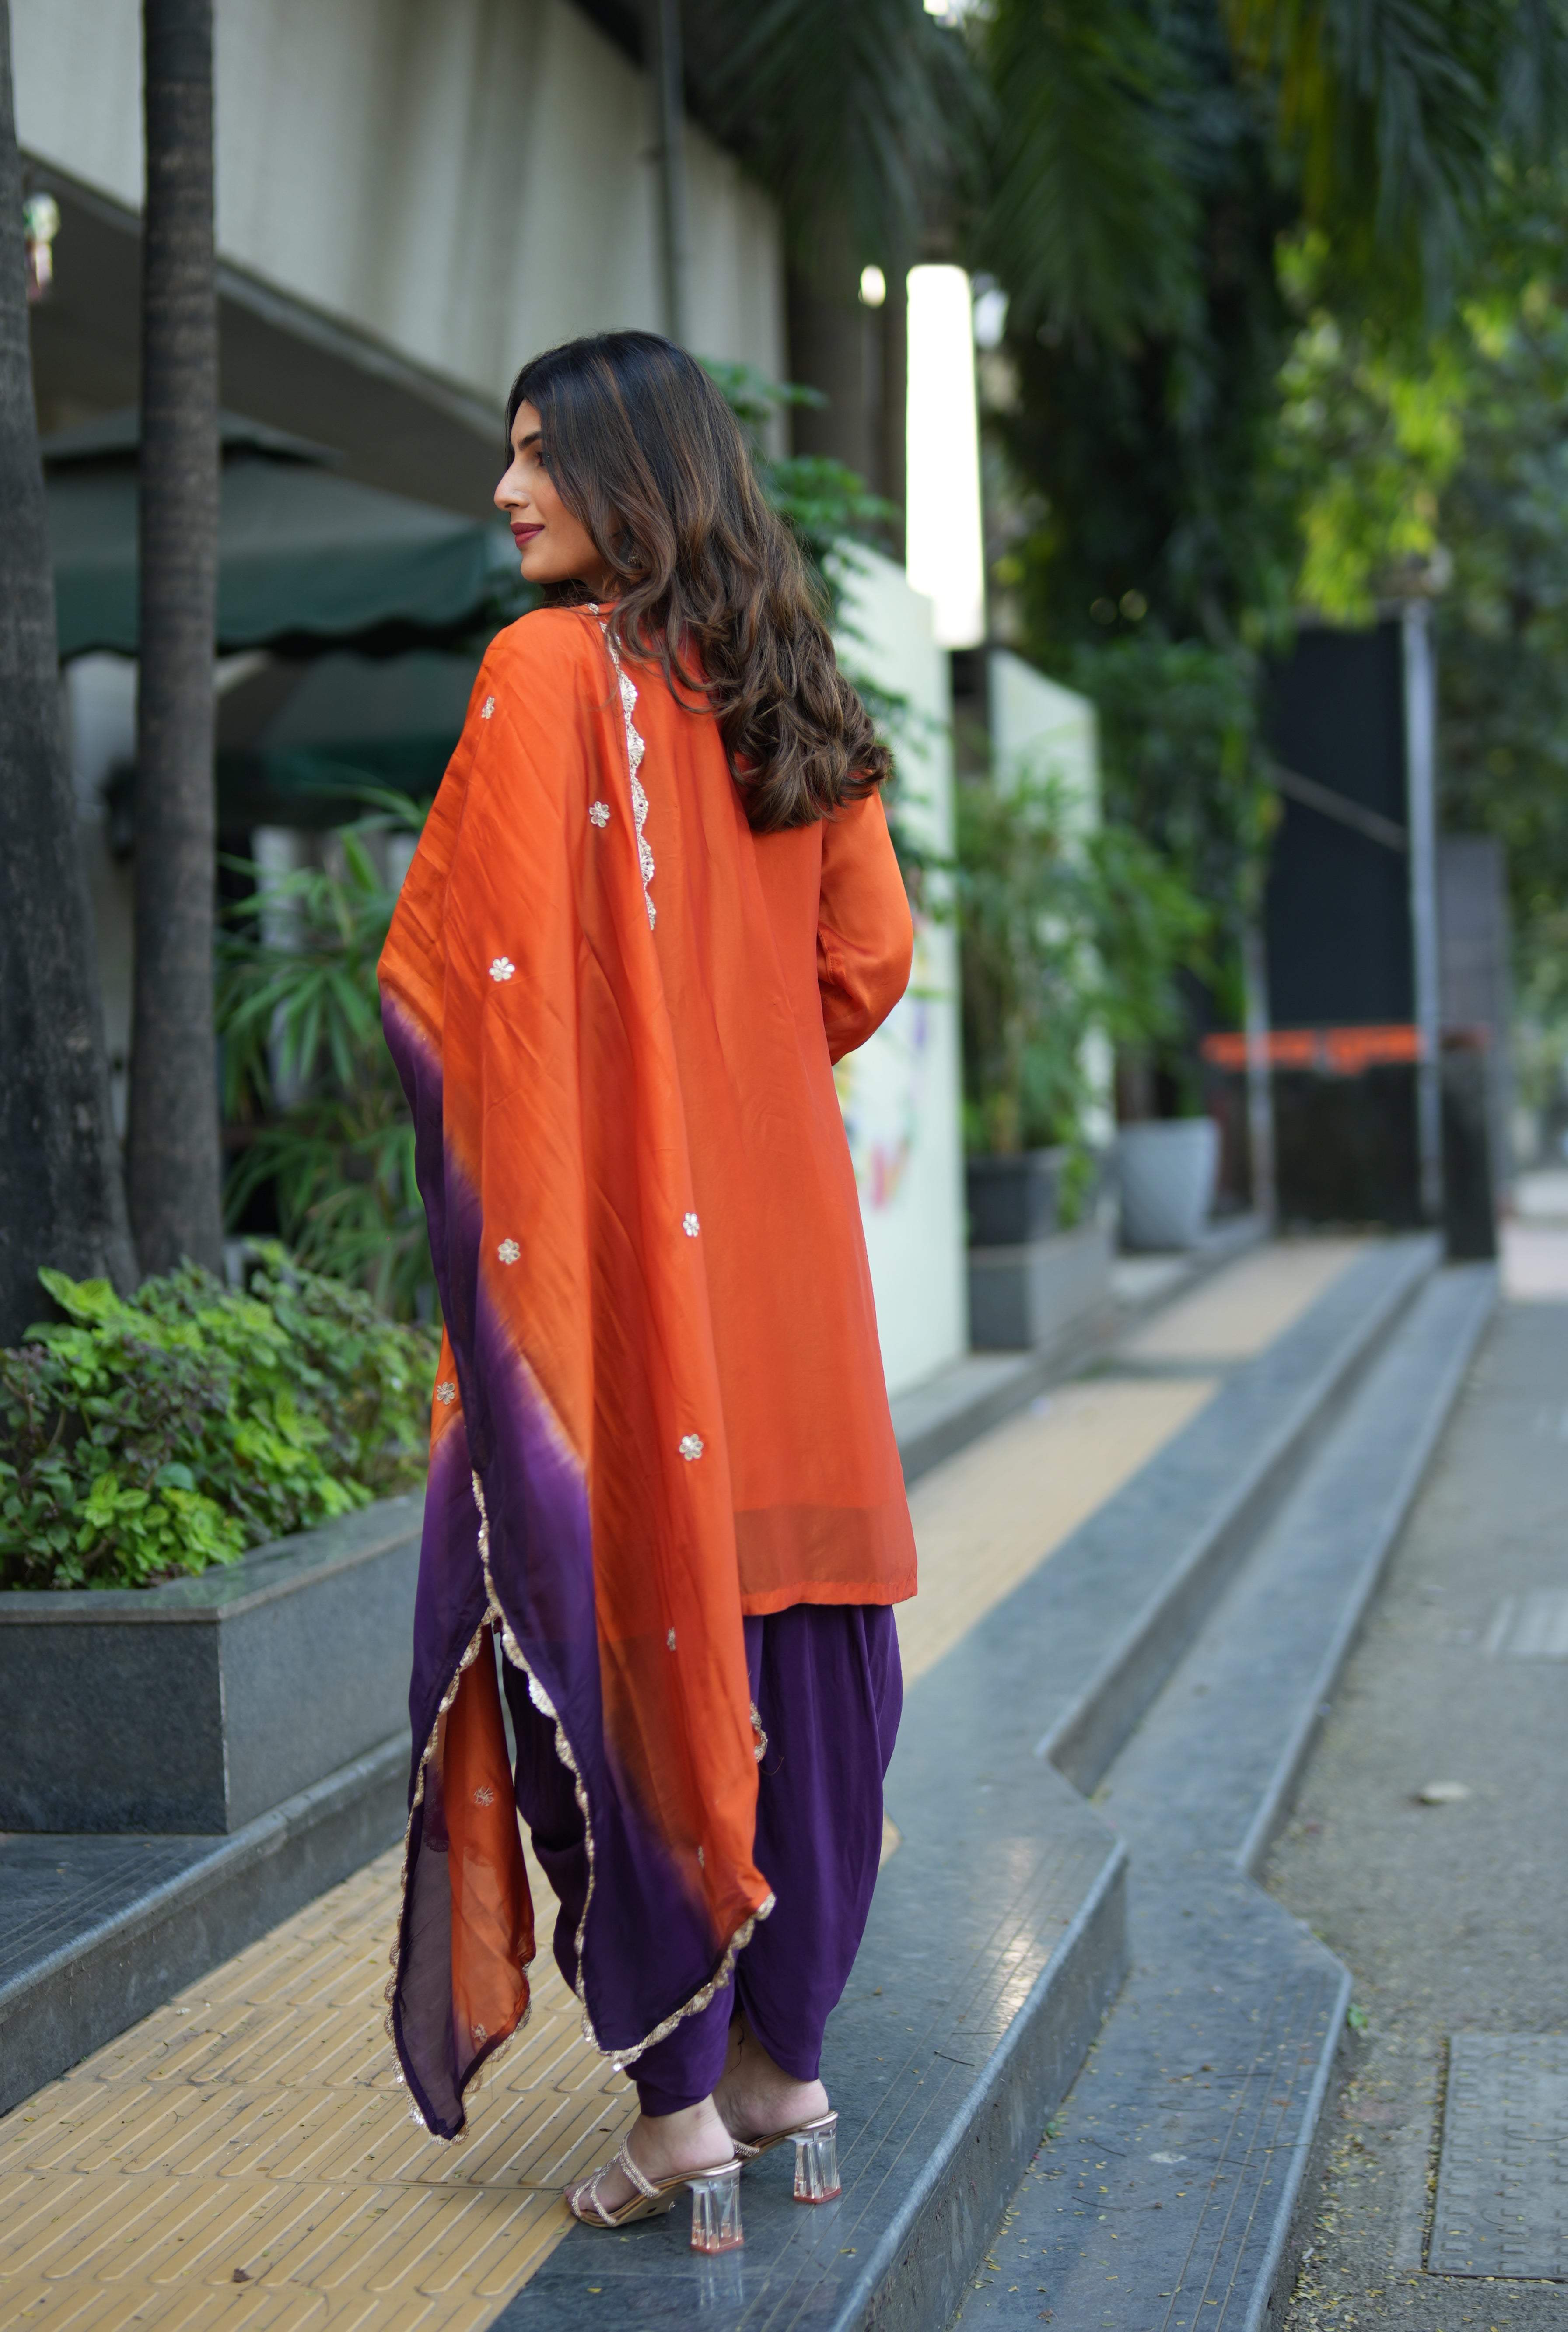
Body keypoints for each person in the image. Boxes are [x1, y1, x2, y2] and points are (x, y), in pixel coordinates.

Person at [377, 330, 916, 2249]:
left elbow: (443, 979)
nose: (507, 492)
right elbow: (866, 958)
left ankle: (681, 2113)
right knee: (808, 1650)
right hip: (791, 1288)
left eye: (538, 458)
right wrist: (732, 1055)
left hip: (618, 1292)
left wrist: (607, 1100)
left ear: (631, 474)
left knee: (619, 1633)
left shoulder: (541, 677)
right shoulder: (790, 690)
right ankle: (787, 2068)